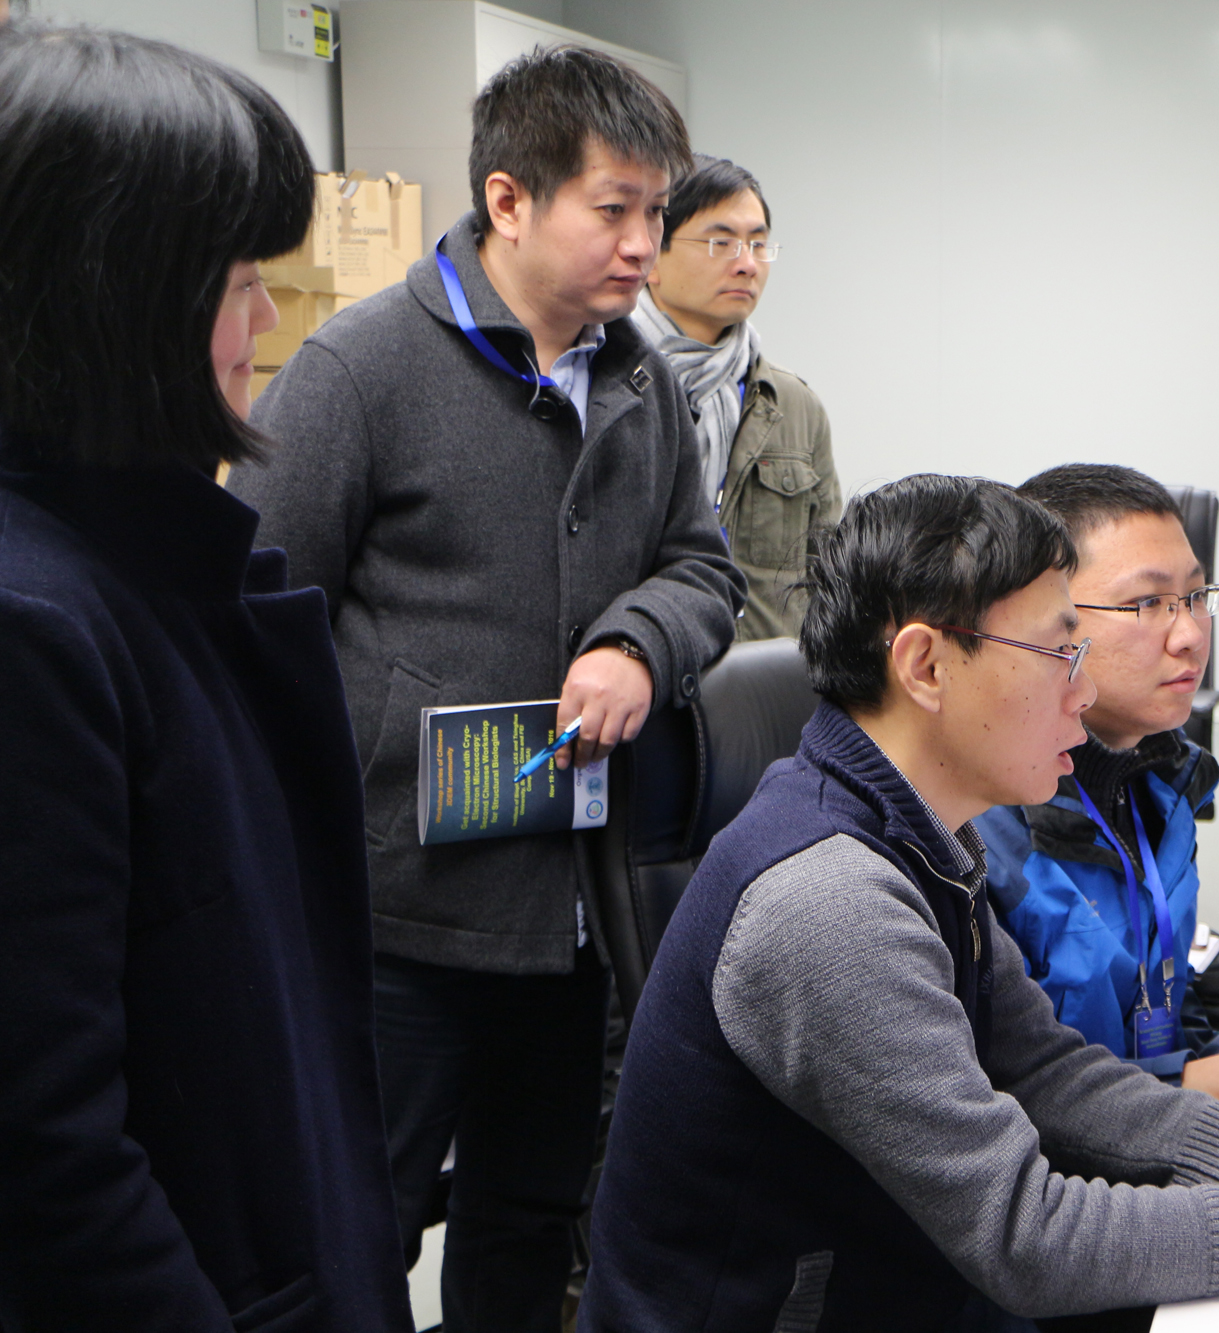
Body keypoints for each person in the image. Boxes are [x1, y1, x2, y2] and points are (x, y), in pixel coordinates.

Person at [579, 474, 1219, 1329]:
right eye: (1058, 654)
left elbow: (1044, 1070)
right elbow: (1024, 1236)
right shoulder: (829, 902)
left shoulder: (924, 830)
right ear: (926, 665)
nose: (1084, 690)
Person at [228, 46, 745, 1332]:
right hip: (393, 915)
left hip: (569, 911)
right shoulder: (360, 369)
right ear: (508, 200)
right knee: (359, 1224)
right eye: (613, 210)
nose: (643, 245)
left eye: (655, 212)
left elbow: (702, 569)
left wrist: (636, 644)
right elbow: (251, 622)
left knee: (528, 1222)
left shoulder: (637, 379)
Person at [0, 25, 410, 1332]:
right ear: (118, 299)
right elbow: (48, 1150)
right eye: (239, 281)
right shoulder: (36, 622)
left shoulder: (144, 567)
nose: (265, 323)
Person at [973, 464, 1219, 1132]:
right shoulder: (978, 835)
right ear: (1046, 618)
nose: (1191, 634)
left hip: (1155, 1127)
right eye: (1148, 604)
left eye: (1197, 596)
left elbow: (1165, 995)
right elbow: (998, 1102)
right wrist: (1187, 1086)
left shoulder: (1160, 779)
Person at [631, 154, 841, 638]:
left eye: (758, 245)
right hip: (644, 667)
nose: (747, 265)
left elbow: (831, 579)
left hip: (762, 676)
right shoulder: (605, 387)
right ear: (652, 254)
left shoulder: (793, 406)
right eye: (720, 243)